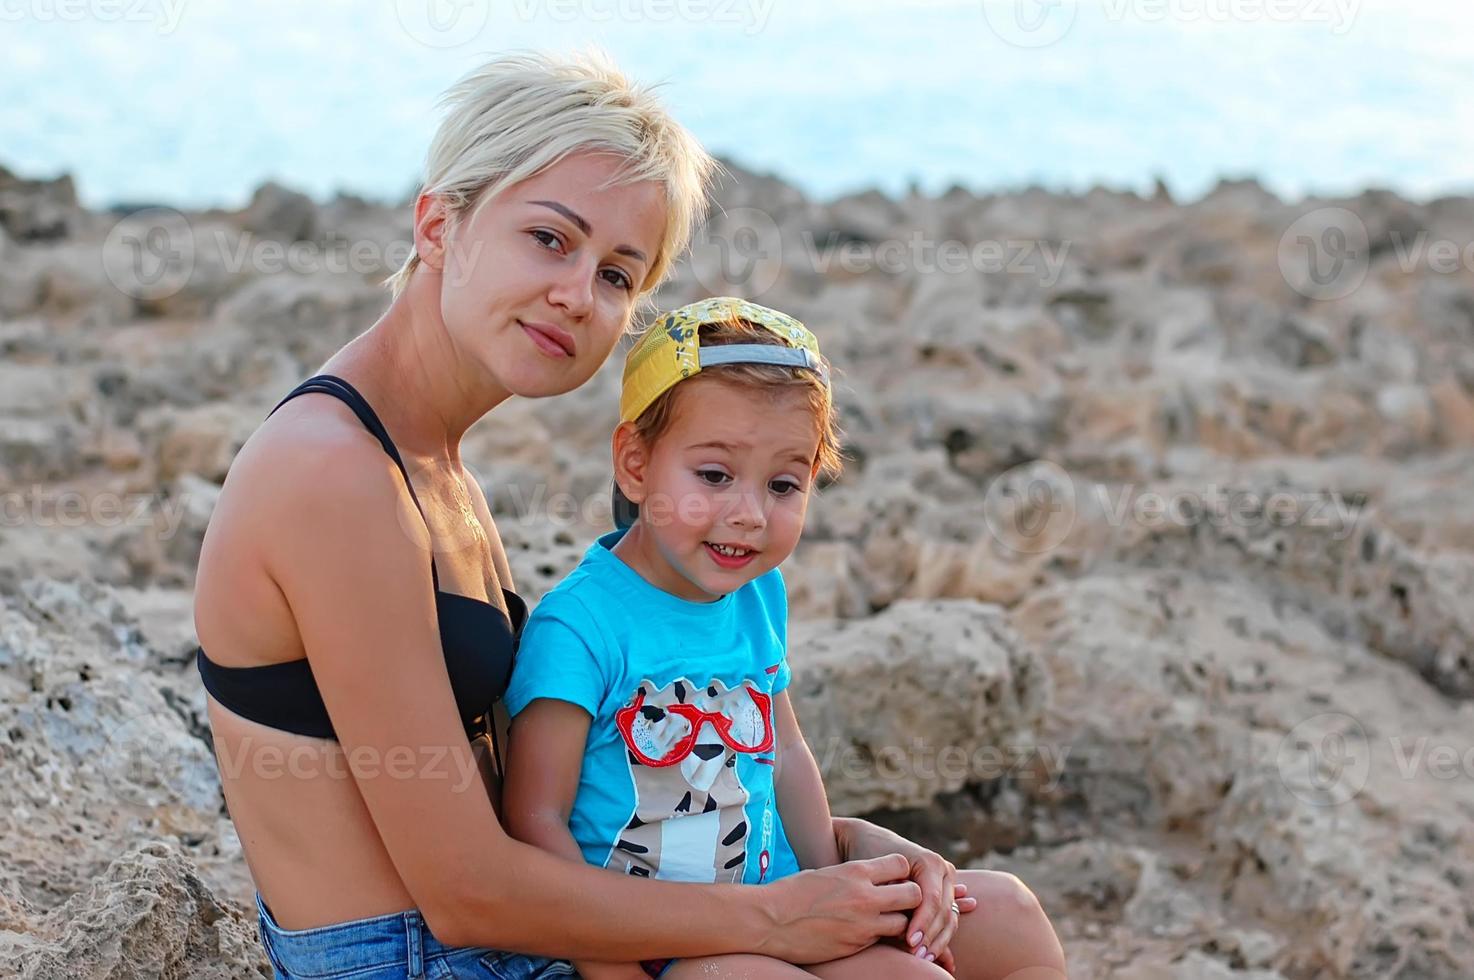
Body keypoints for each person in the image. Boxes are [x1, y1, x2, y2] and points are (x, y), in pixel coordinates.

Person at [191, 51, 1062, 979]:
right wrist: (769, 920)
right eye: (550, 240)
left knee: (997, 917)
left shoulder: (436, 467)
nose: (577, 295)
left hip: (533, 918)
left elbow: (575, 789)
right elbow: (464, 887)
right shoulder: (334, 476)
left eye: (618, 275)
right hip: (430, 956)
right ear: (440, 223)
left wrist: (840, 851)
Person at [500, 298, 1068, 980]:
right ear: (635, 463)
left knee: (1009, 911)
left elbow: (787, 748)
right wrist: (609, 970)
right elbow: (535, 825)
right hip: (663, 948)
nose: (748, 515)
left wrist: (843, 881)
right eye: (714, 476)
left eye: (783, 484)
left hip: (780, 902)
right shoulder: (580, 627)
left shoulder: (754, 595)